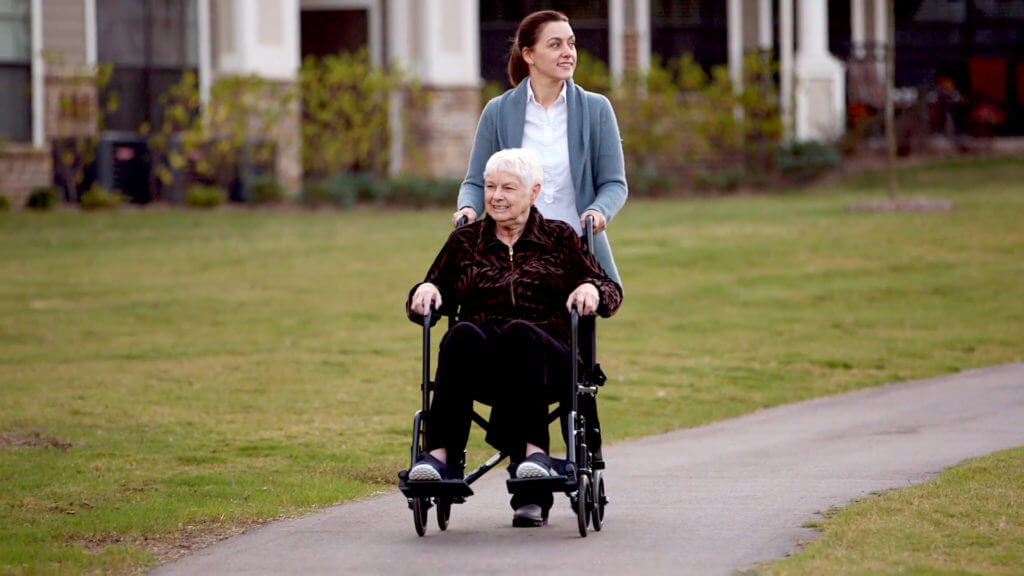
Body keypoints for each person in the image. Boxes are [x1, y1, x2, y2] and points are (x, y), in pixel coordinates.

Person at [406, 148, 623, 527]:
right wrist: (425, 291)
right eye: (490, 187)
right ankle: (439, 459)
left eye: (508, 187)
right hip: (484, 365)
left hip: (548, 360)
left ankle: (534, 459)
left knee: (521, 334)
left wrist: (591, 288)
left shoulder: (560, 238)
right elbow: (429, 291)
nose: (496, 196)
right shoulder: (465, 242)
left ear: (534, 191)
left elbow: (610, 290)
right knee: (460, 334)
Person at [453, 10, 628, 286]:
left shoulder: (597, 110)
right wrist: (468, 209)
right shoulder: (497, 112)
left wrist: (598, 211)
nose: (568, 52)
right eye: (555, 44)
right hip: (511, 254)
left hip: (574, 253)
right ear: (529, 55)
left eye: (571, 43)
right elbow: (475, 182)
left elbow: (614, 184)